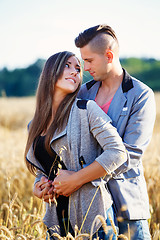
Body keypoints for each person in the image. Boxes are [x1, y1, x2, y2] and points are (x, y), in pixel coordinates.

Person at [35, 25, 156, 239]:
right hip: (86, 209)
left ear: (108, 56)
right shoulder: (81, 93)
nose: (84, 67)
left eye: (89, 61)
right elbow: (57, 144)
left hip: (125, 205)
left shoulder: (141, 95)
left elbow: (128, 156)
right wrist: (44, 181)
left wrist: (77, 179)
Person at [25, 51, 128, 239]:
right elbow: (45, 166)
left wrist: (76, 179)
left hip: (93, 218)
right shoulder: (34, 125)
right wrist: (39, 185)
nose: (75, 72)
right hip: (56, 222)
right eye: (67, 65)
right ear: (50, 71)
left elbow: (117, 153)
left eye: (78, 68)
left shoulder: (86, 110)